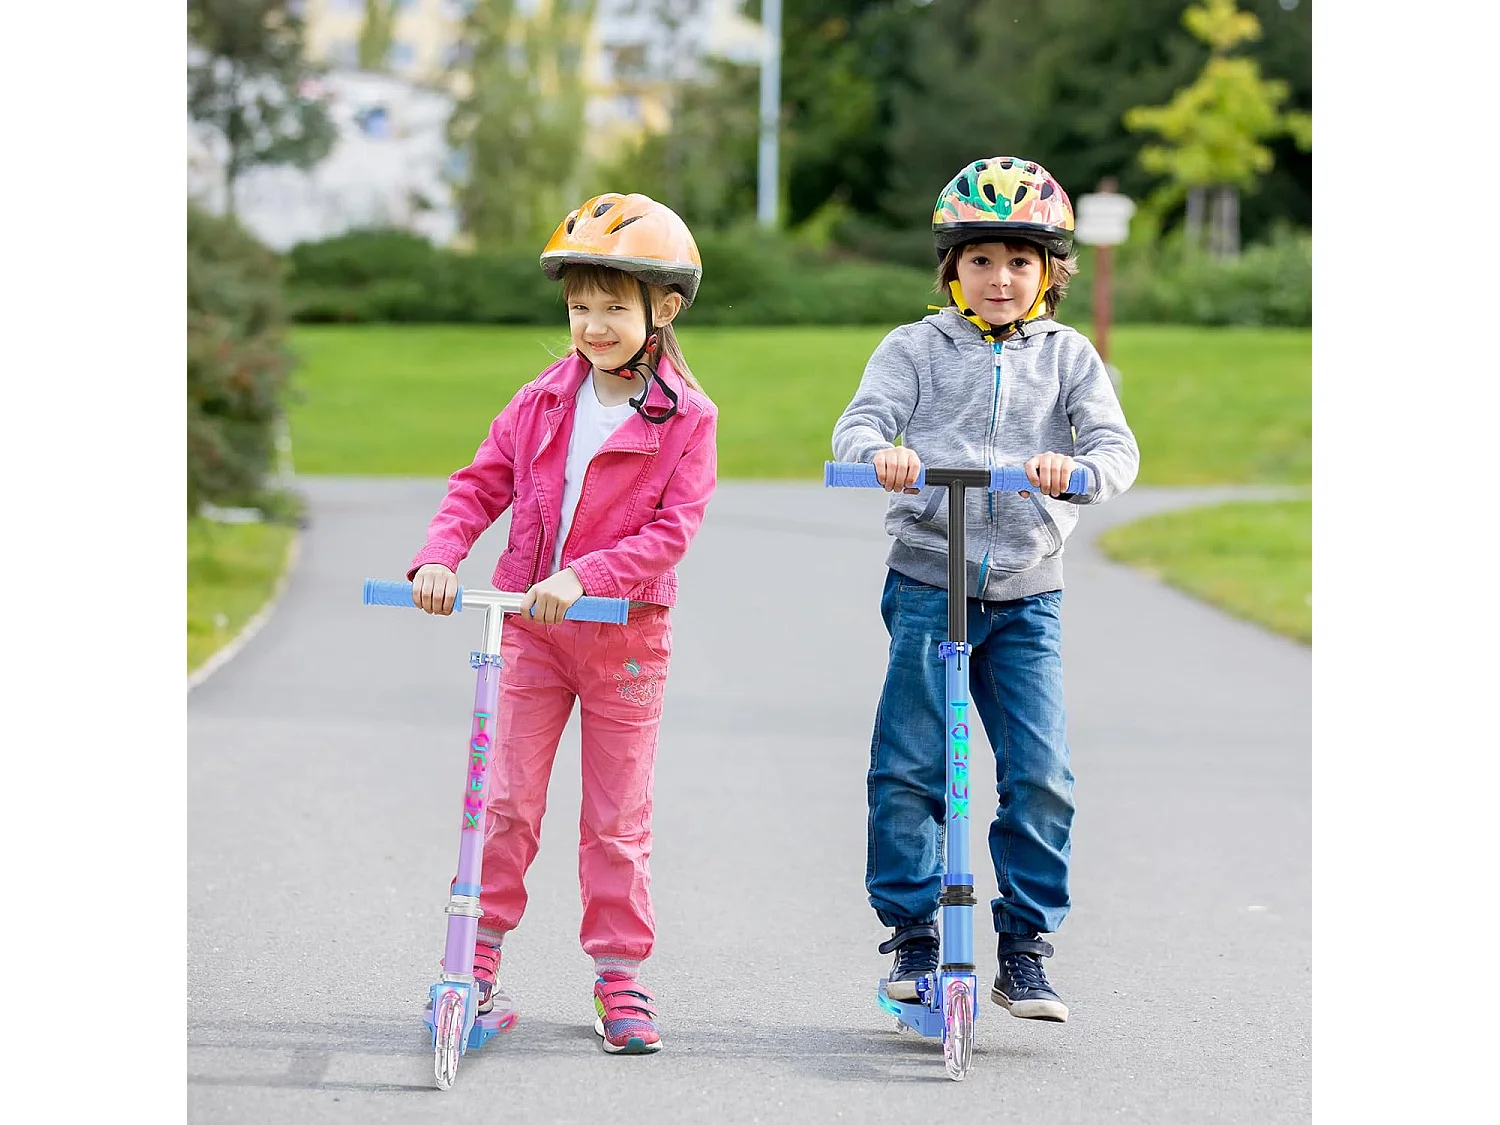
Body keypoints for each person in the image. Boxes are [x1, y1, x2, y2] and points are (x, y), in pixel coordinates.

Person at [405, 192, 718, 1054]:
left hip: (623, 637)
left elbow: (672, 531)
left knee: (616, 816)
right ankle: (472, 962)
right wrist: (441, 556)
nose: (592, 324)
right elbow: (480, 482)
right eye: (579, 306)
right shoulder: (544, 398)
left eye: (614, 306)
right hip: (531, 632)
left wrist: (585, 576)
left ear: (665, 307)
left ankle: (620, 978)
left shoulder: (689, 418)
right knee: (502, 801)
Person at [831, 156, 1140, 1023]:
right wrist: (883, 457)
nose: (1000, 277)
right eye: (980, 260)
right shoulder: (914, 348)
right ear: (952, 269)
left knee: (1042, 773)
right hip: (931, 578)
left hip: (1026, 592)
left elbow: (1117, 453)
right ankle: (913, 934)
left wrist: (1073, 473)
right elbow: (858, 427)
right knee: (910, 766)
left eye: (1019, 261)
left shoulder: (1069, 357)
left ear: (1049, 272)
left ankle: (1027, 947)